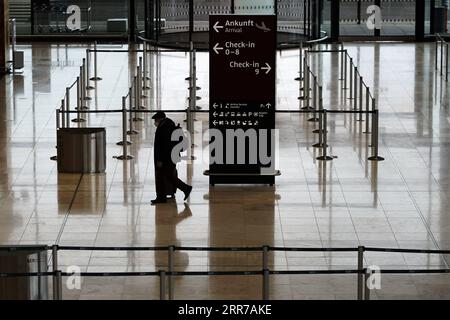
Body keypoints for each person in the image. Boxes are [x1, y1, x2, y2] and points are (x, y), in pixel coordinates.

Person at [151, 111, 192, 205]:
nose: (155, 122)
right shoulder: (167, 124)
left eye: (156, 120)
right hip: (170, 156)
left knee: (165, 175)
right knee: (167, 175)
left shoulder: (165, 127)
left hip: (168, 157)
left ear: (159, 119)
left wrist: (161, 160)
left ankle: (185, 188)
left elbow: (165, 146)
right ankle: (163, 196)